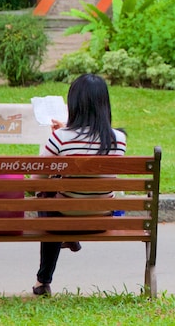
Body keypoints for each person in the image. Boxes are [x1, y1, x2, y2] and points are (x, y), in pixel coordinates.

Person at [33, 74, 127, 296]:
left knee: (45, 196)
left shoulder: (61, 138)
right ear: (104, 104)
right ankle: (69, 236)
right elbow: (89, 142)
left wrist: (59, 137)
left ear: (74, 104)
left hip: (64, 216)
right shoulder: (119, 139)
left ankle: (43, 280)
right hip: (101, 216)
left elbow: (36, 181)